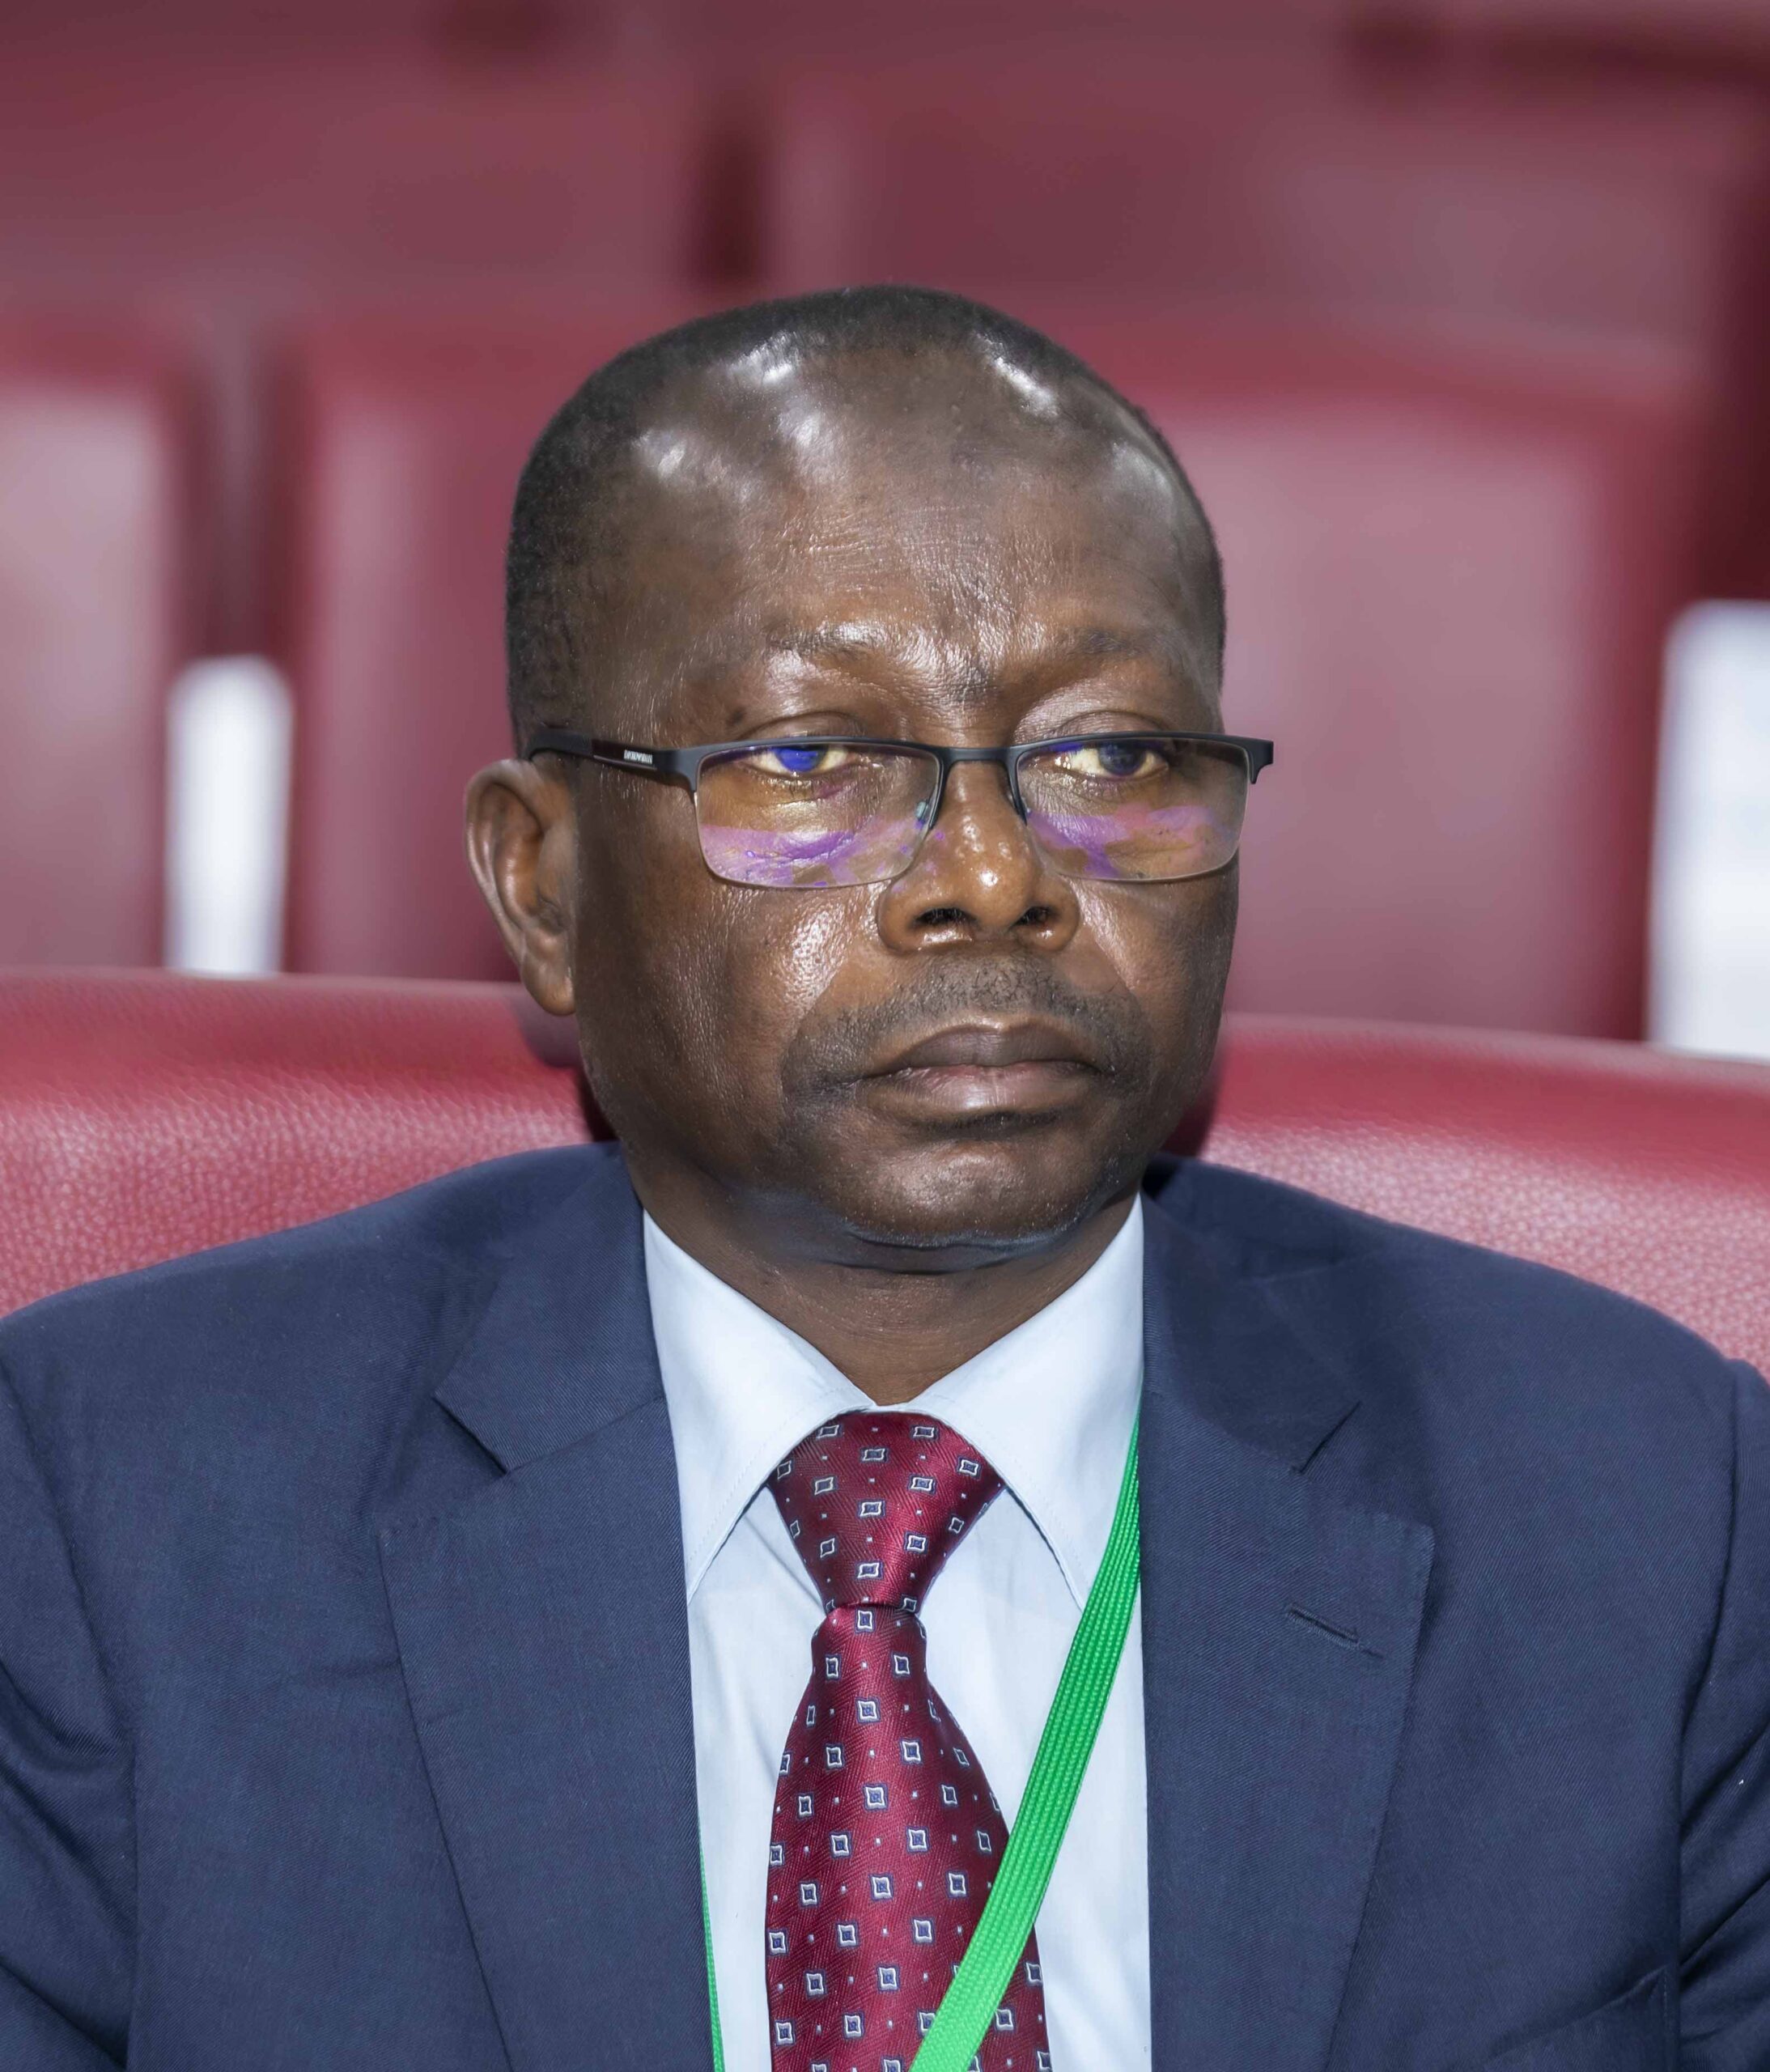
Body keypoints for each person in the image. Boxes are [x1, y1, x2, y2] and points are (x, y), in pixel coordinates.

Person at [1, 287, 1764, 2072]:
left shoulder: (1642, 1511)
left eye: (1110, 755)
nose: (992, 877)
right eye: (807, 758)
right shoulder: (114, 1509)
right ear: (542, 882)